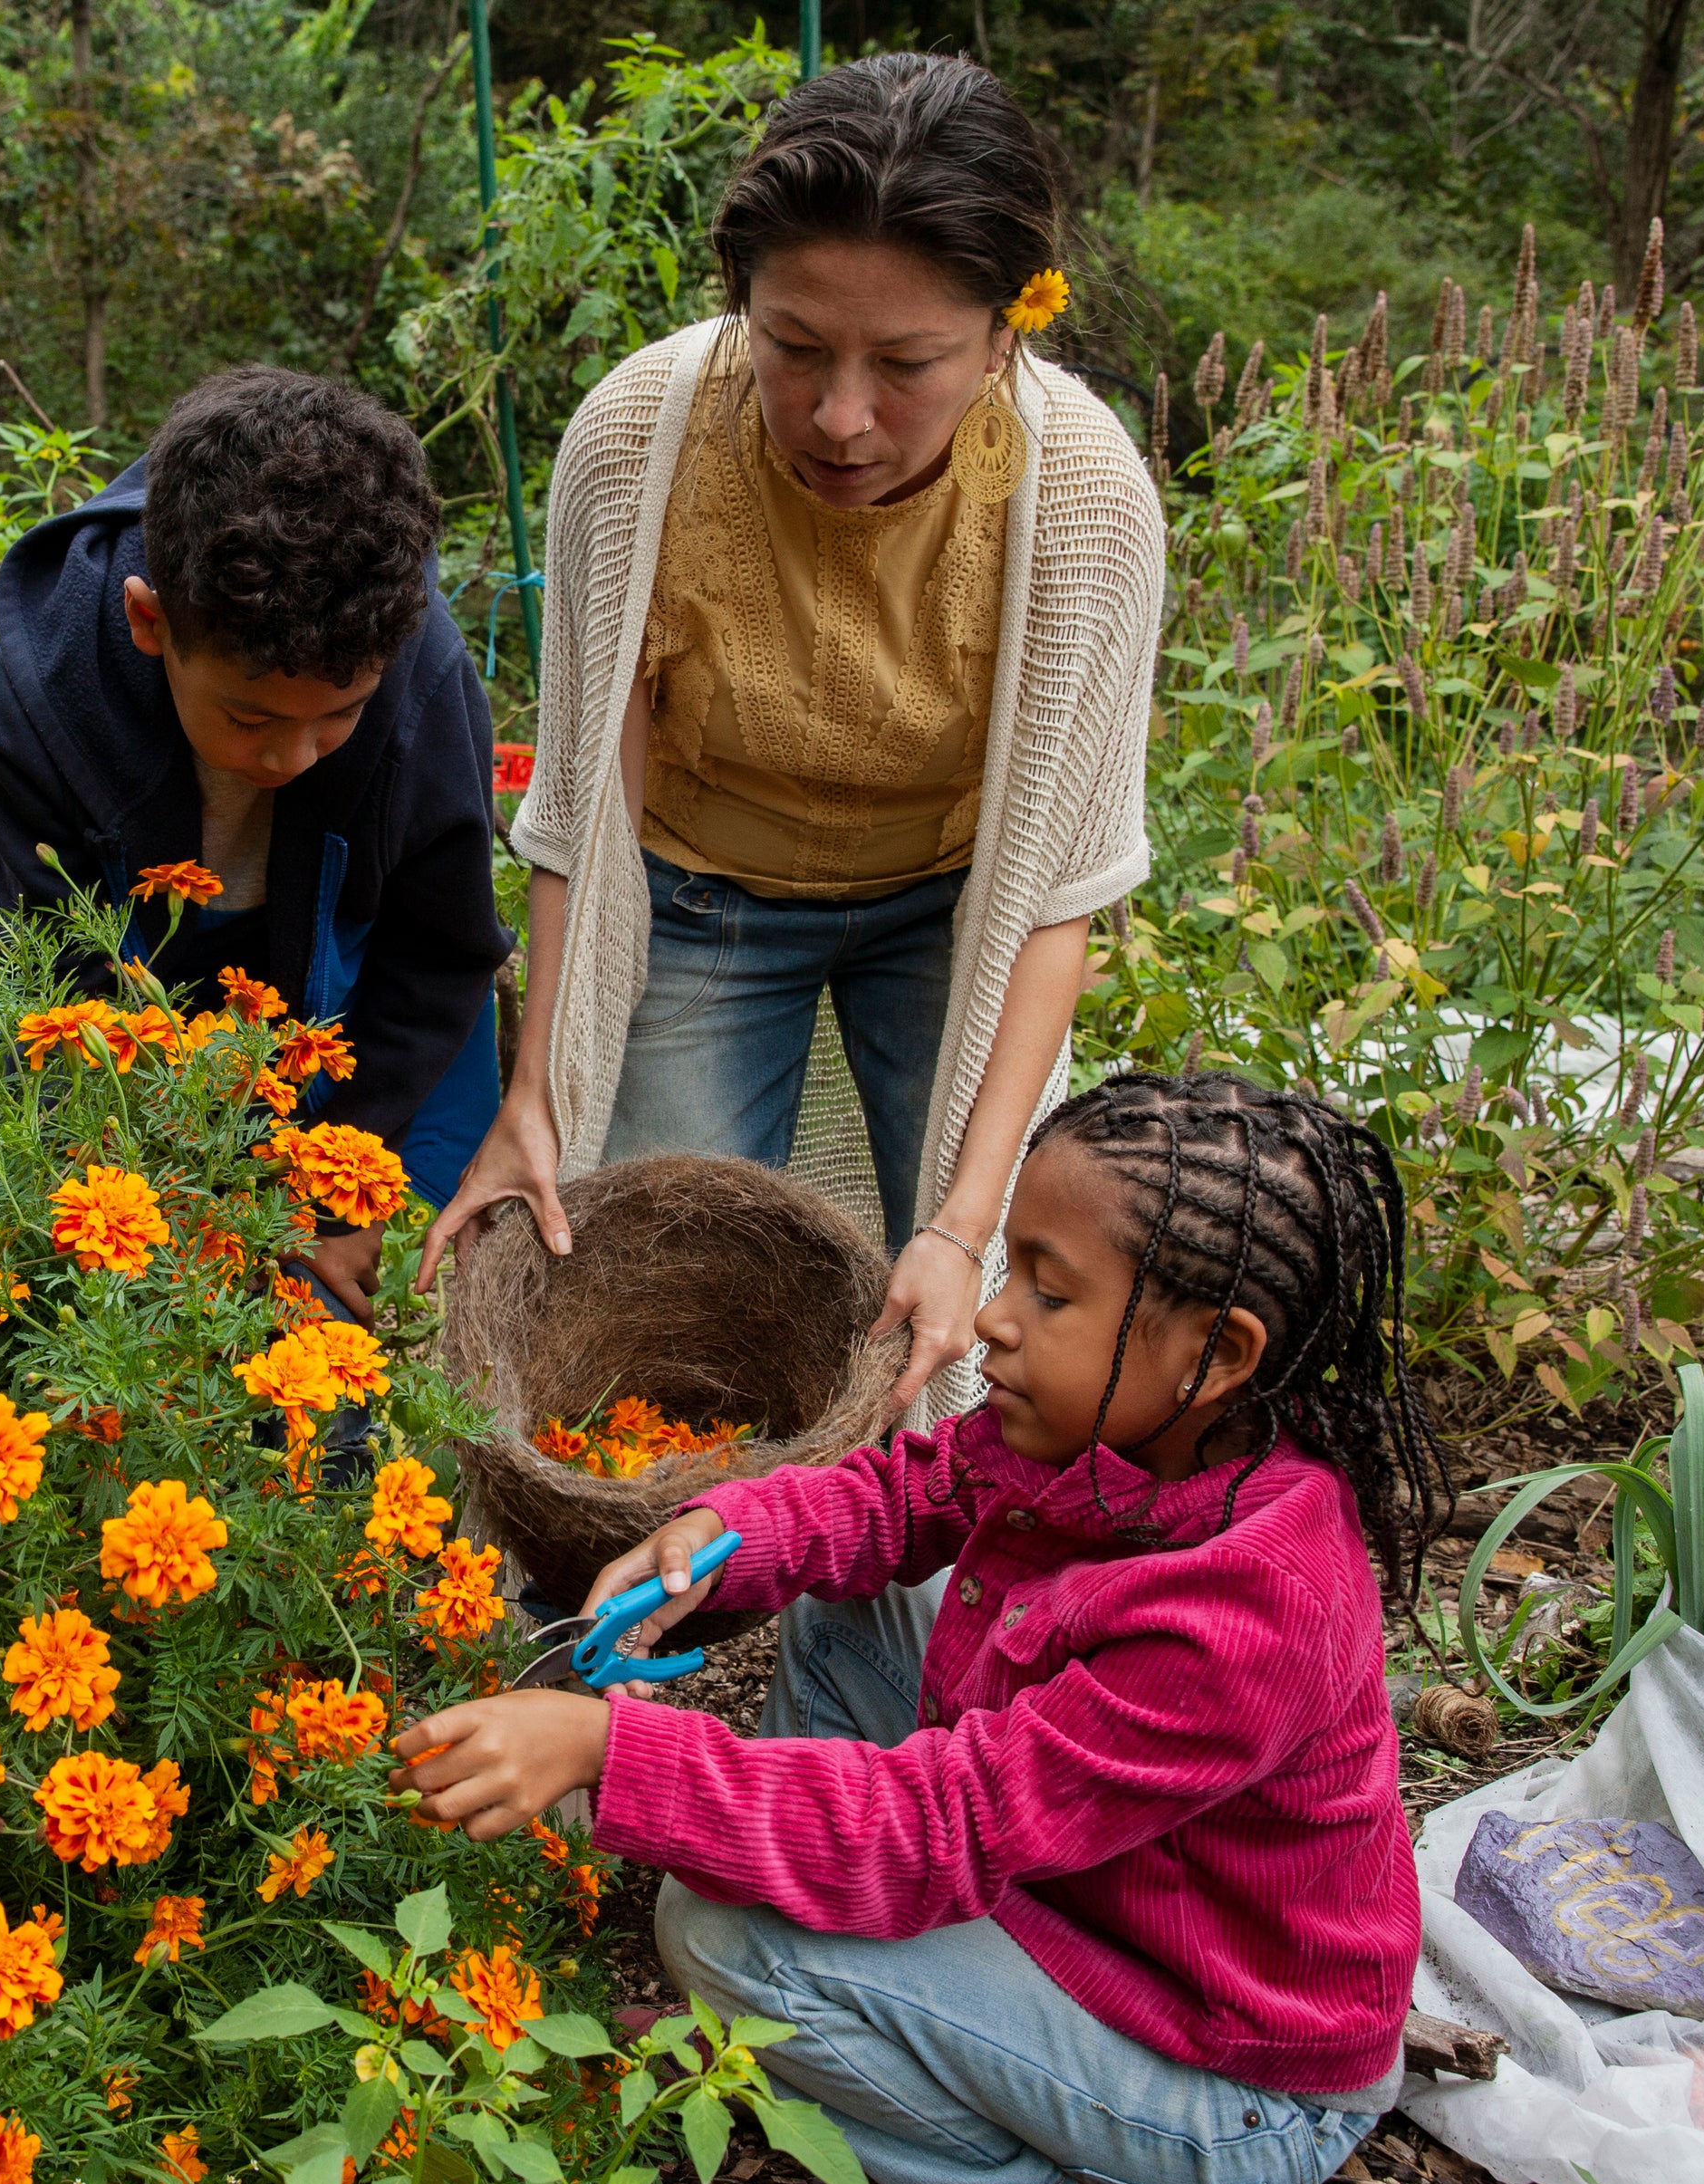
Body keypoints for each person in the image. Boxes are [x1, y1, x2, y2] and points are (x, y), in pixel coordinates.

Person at [390, 1074, 1448, 2184]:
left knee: (717, 1936)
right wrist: (728, 1526)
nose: (994, 1320)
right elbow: (911, 1494)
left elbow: (937, 1828)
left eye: (1050, 1292)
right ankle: (824, 1988)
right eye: (1012, 1271)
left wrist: (611, 1754)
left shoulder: (1249, 1616)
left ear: (1214, 1354)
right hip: (1092, 1907)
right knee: (854, 1592)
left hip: (1222, 2084)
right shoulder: (1129, 1434)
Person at [417, 55, 1161, 1426]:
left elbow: (1057, 896)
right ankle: (610, 1632)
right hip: (702, 897)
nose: (840, 415)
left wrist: (960, 1225)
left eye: (909, 363)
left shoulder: (1087, 501)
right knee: (636, 1294)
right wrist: (535, 1098)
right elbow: (588, 801)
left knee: (951, 1342)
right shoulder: (638, 441)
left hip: (956, 915)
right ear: (739, 304)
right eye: (796, 344)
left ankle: (894, 1637)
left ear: (1007, 335)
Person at [0, 364, 512, 1318]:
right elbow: (58, 971)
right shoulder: (39, 692)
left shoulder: (424, 683)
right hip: (120, 954)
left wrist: (342, 1181)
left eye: (338, 716)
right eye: (251, 717)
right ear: (151, 620)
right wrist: (154, 1195)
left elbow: (437, 959)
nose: (293, 756)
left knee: (345, 1277)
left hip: (358, 962)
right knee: (71, 1246)